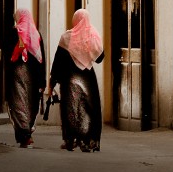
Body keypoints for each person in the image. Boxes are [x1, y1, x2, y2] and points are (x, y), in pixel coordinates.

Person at [48, 8, 104, 152]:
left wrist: (53, 80)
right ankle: (88, 141)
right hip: (88, 78)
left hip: (69, 78)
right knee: (89, 109)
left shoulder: (66, 37)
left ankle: (71, 140)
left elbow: (58, 60)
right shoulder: (92, 36)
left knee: (71, 109)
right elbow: (100, 58)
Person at [6, 8, 46, 148]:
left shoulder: (14, 33)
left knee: (19, 103)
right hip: (34, 76)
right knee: (30, 104)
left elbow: (7, 57)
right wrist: (43, 81)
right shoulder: (36, 35)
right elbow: (42, 60)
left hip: (17, 74)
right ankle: (27, 133)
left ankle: (25, 135)